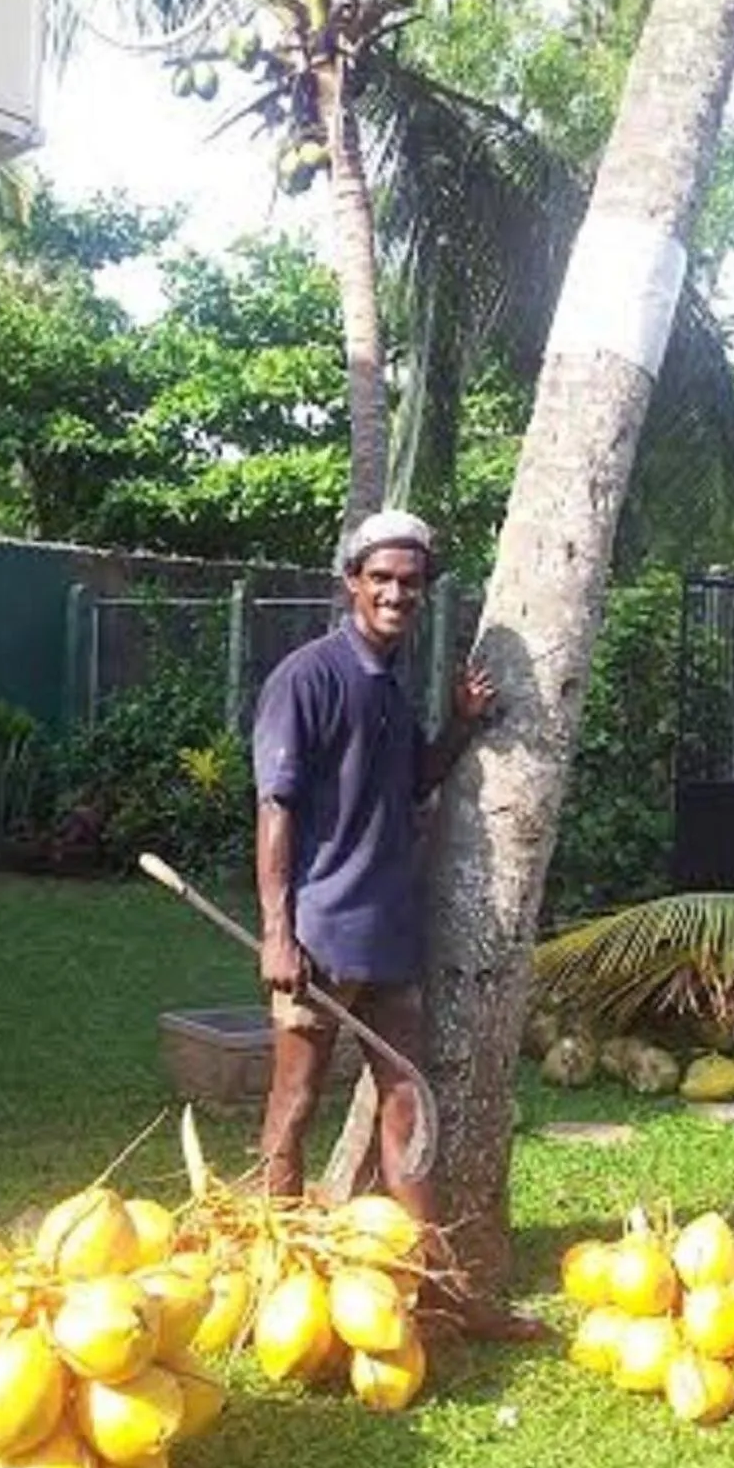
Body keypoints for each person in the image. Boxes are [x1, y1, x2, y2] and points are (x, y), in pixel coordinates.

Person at [251, 508, 541, 1339]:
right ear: (352, 584)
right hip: (318, 935)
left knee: (408, 1101)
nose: (395, 593)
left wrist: (458, 723)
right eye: (380, 578)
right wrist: (277, 930)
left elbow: (412, 778)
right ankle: (280, 1274)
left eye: (409, 583)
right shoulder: (306, 678)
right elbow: (275, 809)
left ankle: (435, 1283)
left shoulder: (388, 682)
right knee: (296, 1099)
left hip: (387, 932)